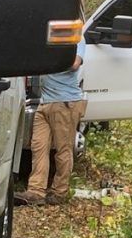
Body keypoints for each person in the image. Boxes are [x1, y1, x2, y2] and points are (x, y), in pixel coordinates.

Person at [15, 39, 87, 206]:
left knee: (63, 149)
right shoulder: (47, 35)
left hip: (65, 102)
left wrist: (48, 59)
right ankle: (36, 191)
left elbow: (75, 64)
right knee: (38, 146)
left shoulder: (77, 38)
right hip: (45, 101)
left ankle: (59, 192)